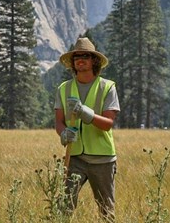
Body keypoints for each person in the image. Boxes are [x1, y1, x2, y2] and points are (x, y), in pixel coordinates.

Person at [54, 37, 120, 222]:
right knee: (64, 208)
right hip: (74, 157)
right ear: (72, 63)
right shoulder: (63, 88)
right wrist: (63, 133)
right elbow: (59, 122)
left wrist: (85, 112)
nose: (80, 60)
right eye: (76, 57)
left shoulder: (107, 87)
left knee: (106, 211)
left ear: (94, 60)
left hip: (103, 159)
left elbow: (108, 123)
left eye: (85, 56)